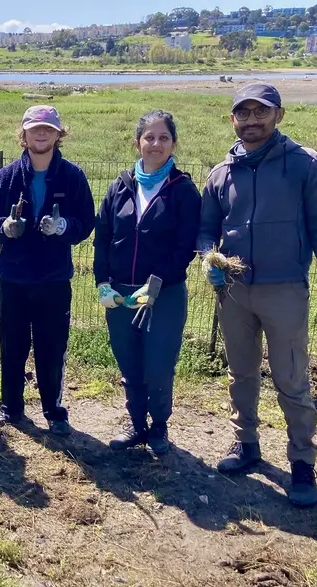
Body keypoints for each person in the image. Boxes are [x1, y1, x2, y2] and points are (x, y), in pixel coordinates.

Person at [197, 82, 317, 508]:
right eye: (243, 114)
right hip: (234, 291)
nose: (252, 121)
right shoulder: (221, 173)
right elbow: (206, 226)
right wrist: (209, 258)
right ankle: (245, 445)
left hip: (285, 291)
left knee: (291, 379)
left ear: (278, 115)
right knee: (241, 373)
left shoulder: (303, 164)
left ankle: (302, 463)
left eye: (260, 112)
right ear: (233, 120)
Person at [0, 105, 96, 437]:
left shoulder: (72, 177)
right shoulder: (6, 178)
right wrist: (5, 227)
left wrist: (63, 227)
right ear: (24, 134)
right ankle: (11, 408)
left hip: (54, 279)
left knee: (52, 347)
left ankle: (54, 412)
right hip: (13, 279)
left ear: (59, 134)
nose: (41, 133)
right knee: (11, 345)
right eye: (34, 128)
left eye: (48, 128)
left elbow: (86, 223)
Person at [95, 110, 201, 455]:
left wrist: (156, 285)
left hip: (164, 295)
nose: (155, 144)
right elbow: (103, 237)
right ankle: (135, 423)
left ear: (173, 143)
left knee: (158, 364)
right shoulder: (120, 186)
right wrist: (102, 283)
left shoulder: (183, 191)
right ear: (137, 142)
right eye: (149, 137)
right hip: (122, 296)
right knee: (129, 361)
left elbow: (184, 246)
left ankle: (159, 426)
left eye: (163, 138)